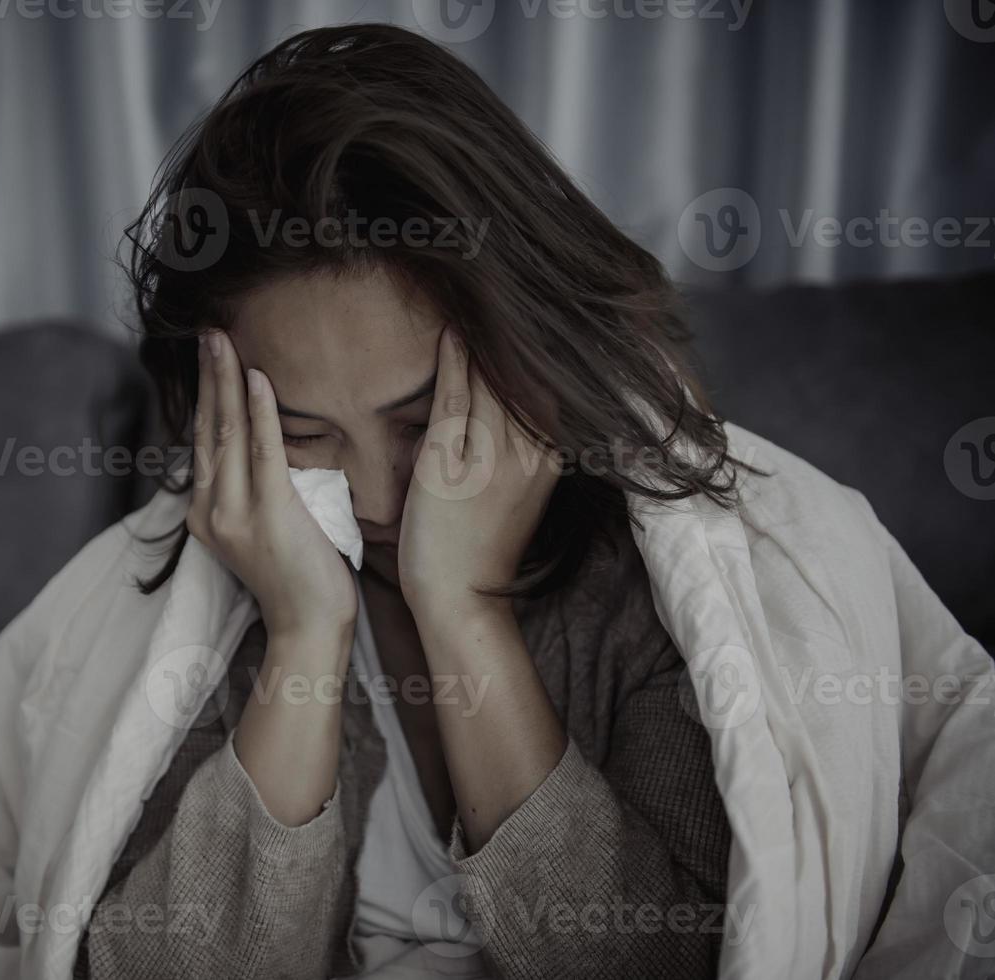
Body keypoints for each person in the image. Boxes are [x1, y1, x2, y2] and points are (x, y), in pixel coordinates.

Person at [62, 23, 738, 980]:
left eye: (425, 422)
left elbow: (681, 963)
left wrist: (463, 613)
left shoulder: (657, 592)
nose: (379, 500)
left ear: (530, 356)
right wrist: (302, 635)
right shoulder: (219, 591)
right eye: (303, 435)